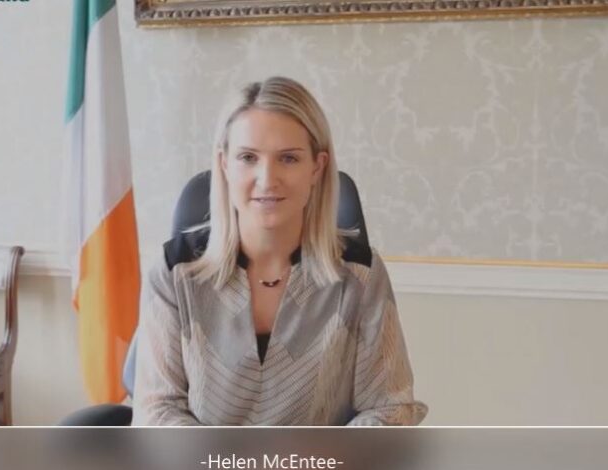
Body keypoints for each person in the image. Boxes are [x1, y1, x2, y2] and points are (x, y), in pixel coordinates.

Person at [131, 76, 427, 425]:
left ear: (317, 167)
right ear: (224, 165)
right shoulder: (174, 272)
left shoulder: (360, 274)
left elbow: (391, 408)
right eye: (248, 157)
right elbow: (157, 411)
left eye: (288, 158)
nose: (268, 179)